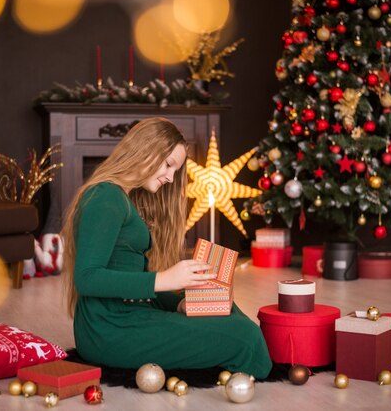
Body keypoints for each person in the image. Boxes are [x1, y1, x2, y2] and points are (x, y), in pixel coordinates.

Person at [61, 117, 272, 379]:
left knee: (225, 309)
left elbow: (135, 284)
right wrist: (165, 279)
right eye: (169, 165)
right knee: (245, 337)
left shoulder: (121, 197)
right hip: (109, 329)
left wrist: (179, 303)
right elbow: (87, 278)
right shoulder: (105, 197)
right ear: (146, 149)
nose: (171, 178)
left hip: (128, 315)